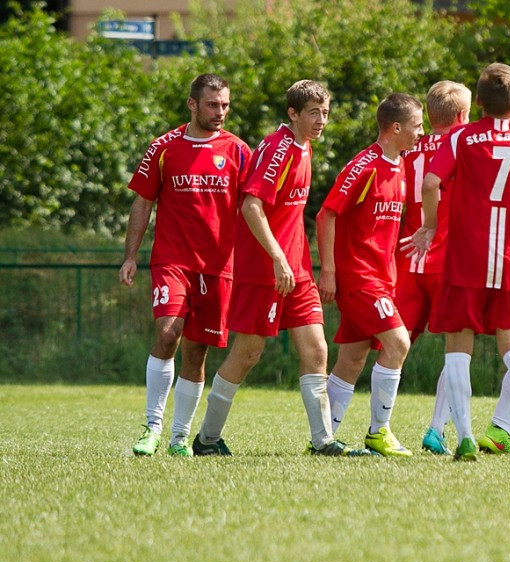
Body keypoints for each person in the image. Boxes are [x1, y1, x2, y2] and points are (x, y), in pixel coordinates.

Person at [190, 80, 364, 457]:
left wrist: (293, 259)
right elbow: (251, 206)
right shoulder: (279, 148)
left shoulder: (305, 145)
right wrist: (277, 257)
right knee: (248, 354)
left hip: (295, 269)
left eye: (325, 113)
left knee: (316, 349)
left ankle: (323, 441)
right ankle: (206, 439)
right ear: (293, 114)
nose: (321, 120)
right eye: (314, 113)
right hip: (265, 269)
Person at [405, 63, 510, 461]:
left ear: (480, 102)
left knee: (458, 348)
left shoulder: (460, 138)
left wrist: (431, 226)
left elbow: (430, 184)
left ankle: (466, 438)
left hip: (466, 257)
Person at [120, 73, 250, 456]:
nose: (220, 112)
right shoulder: (163, 147)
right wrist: (130, 256)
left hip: (218, 267)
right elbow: (142, 202)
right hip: (172, 260)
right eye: (213, 104)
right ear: (192, 104)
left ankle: (180, 437)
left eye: (225, 104)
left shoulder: (239, 152)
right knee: (167, 333)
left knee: (197, 352)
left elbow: (253, 209)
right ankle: (152, 428)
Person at [316, 93, 424, 457]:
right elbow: (326, 214)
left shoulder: (401, 165)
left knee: (352, 358)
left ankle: (324, 436)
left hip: (382, 277)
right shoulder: (364, 166)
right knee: (399, 344)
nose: (420, 133)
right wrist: (329, 272)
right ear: (396, 128)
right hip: (359, 277)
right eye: (416, 126)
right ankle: (380, 432)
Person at [394, 81, 472, 455]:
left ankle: (376, 425)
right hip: (446, 256)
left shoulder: (408, 147)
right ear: (462, 115)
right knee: (456, 348)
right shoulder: (465, 143)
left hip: (408, 256)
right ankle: (437, 428)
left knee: (395, 344)